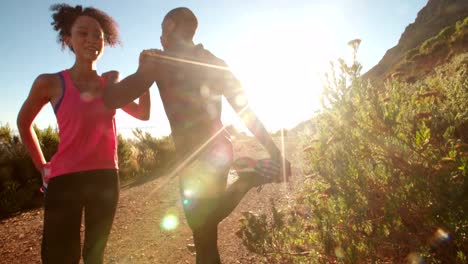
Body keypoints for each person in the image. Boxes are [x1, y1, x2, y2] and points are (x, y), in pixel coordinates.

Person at [103, 7, 291, 264]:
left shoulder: (160, 62)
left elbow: (113, 98)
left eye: (162, 30)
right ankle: (247, 179)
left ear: (169, 26)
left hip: (193, 156)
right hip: (221, 151)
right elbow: (245, 111)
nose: (160, 37)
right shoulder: (214, 61)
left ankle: (247, 180)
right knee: (204, 235)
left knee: (200, 226)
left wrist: (115, 78)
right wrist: (275, 151)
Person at [16, 4, 151, 264]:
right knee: (60, 257)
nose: (92, 40)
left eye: (98, 35)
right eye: (83, 33)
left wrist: (142, 75)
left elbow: (143, 114)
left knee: (94, 255)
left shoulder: (109, 86)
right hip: (65, 180)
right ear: (68, 39)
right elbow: (24, 123)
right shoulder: (50, 82)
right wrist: (42, 166)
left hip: (105, 179)